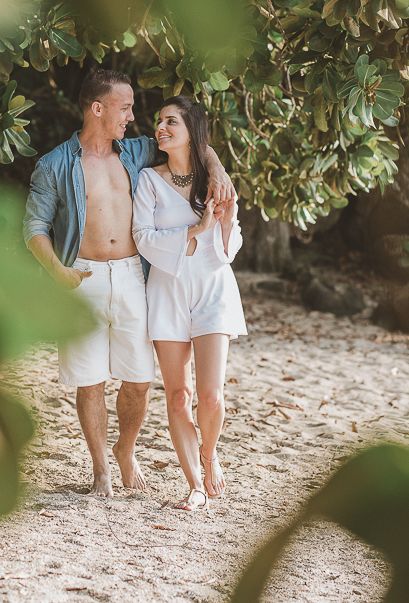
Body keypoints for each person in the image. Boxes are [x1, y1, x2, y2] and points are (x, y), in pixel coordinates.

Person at [22, 71, 234, 497]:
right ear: (97, 108)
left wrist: (217, 167)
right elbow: (34, 226)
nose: (132, 116)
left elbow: (193, 143)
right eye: (124, 107)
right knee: (90, 379)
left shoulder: (136, 151)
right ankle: (101, 470)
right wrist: (56, 271)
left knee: (138, 380)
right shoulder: (55, 164)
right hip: (82, 276)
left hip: (134, 276)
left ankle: (126, 448)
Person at [131, 96, 246, 511]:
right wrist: (197, 228)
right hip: (167, 290)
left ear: (191, 131)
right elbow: (142, 237)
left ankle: (209, 452)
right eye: (159, 121)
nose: (161, 128)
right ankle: (195, 484)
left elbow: (229, 248)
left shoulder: (215, 181)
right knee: (179, 396)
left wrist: (227, 218)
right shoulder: (149, 179)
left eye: (171, 122)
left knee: (211, 397)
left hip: (213, 288)